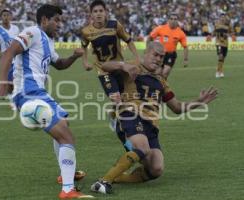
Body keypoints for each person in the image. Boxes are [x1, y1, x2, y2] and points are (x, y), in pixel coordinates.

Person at [90, 42, 218, 194]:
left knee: (156, 168)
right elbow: (104, 67)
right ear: (146, 53)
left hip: (151, 126)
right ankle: (103, 182)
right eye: (155, 55)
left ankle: (118, 177)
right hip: (129, 114)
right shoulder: (132, 67)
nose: (158, 59)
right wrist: (122, 65)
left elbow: (176, 107)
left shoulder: (161, 81)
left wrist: (199, 102)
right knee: (142, 148)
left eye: (161, 57)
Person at [0, 4, 93, 199]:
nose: (59, 25)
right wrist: (3, 82)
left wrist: (74, 57)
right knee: (66, 136)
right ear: (44, 20)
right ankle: (67, 189)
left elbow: (59, 64)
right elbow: (9, 52)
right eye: (56, 20)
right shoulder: (32, 32)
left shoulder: (48, 41)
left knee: (64, 124)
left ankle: (66, 172)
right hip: (28, 93)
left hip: (38, 92)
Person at [81, 0, 140, 105]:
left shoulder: (115, 25)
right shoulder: (86, 31)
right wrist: (85, 62)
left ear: (106, 12)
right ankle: (118, 118)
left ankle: (115, 118)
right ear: (91, 14)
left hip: (119, 67)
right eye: (95, 11)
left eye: (101, 11)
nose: (98, 13)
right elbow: (83, 46)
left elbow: (129, 40)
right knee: (116, 98)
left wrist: (137, 58)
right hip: (103, 69)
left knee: (125, 99)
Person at [146, 13, 188, 79]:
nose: (173, 21)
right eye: (171, 19)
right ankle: (160, 86)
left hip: (170, 55)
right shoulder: (161, 28)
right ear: (168, 20)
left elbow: (185, 47)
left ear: (177, 21)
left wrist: (185, 59)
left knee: (165, 73)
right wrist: (148, 49)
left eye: (175, 19)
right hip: (160, 54)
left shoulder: (181, 33)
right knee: (158, 73)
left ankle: (163, 86)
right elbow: (150, 37)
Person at [0, 9, 20, 94]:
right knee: (11, 82)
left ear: (10, 17)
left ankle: (10, 96)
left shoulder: (16, 28)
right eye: (4, 15)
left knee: (16, 81)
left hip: (17, 59)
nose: (6, 17)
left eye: (8, 15)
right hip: (7, 60)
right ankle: (10, 98)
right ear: (1, 17)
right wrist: (1, 54)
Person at [213, 13, 232, 78]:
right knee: (220, 56)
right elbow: (214, 32)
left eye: (224, 17)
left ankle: (220, 71)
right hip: (218, 43)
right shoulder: (216, 24)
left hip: (225, 43)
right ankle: (218, 72)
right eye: (221, 17)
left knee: (223, 58)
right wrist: (212, 35)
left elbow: (231, 33)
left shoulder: (228, 25)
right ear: (219, 18)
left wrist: (228, 35)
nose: (223, 18)